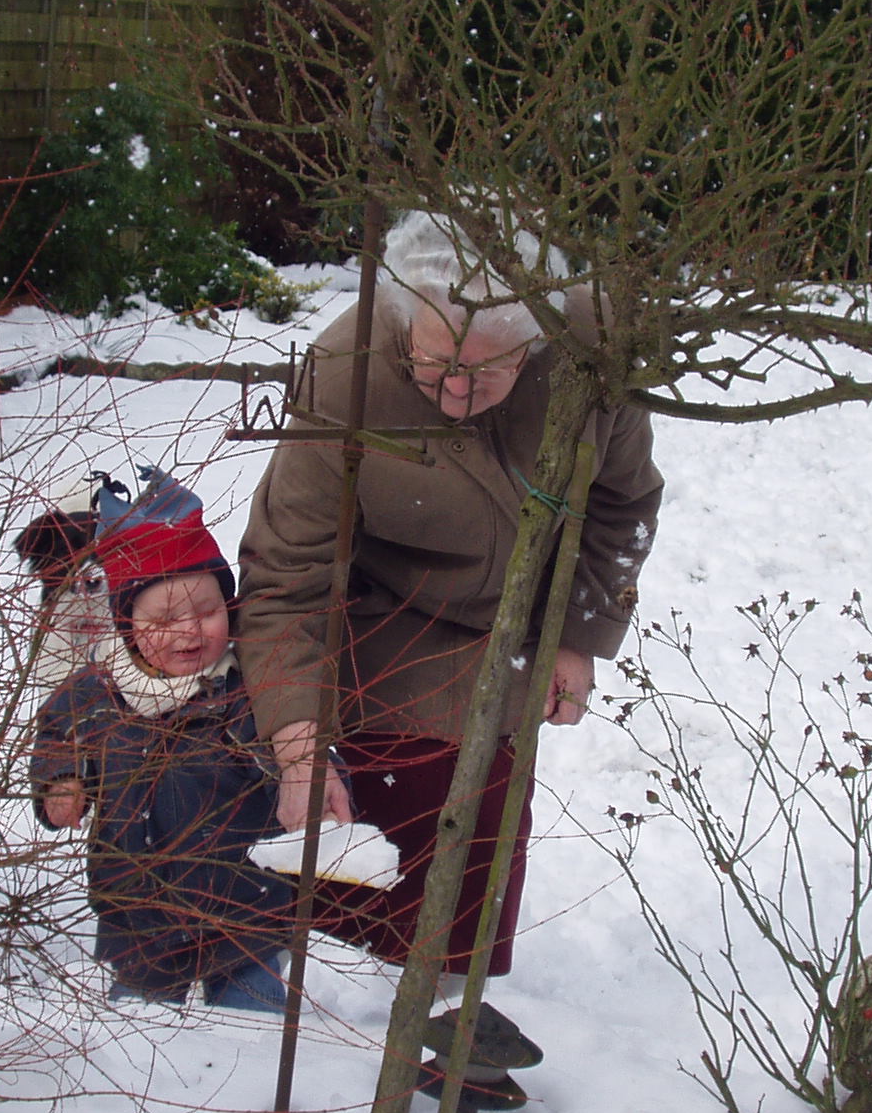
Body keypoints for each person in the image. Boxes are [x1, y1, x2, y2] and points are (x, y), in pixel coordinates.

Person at [236, 210, 664, 989]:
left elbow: (622, 505)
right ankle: (347, 999)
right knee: (374, 822)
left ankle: (447, 996)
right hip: (384, 617)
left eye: (488, 371)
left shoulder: (593, 355)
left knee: (483, 823)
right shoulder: (345, 372)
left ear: (534, 343)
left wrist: (577, 632)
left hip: (513, 622)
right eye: (436, 366)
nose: (459, 392)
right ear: (404, 324)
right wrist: (298, 745)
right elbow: (286, 569)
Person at [30, 466, 293, 1012]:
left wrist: (295, 788)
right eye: (165, 620)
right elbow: (58, 729)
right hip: (137, 914)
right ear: (127, 626)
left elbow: (291, 754)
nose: (190, 631)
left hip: (243, 909)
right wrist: (61, 779)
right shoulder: (98, 693)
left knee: (250, 1022)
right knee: (138, 1029)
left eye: (208, 611)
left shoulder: (244, 694)